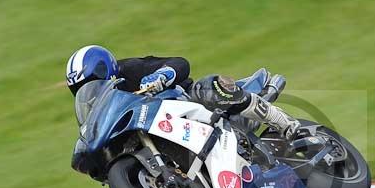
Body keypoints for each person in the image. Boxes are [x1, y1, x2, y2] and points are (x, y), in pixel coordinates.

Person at [65, 45, 299, 139]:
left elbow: (180, 63)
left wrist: (161, 76)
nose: (90, 89)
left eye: (94, 79)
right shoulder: (102, 109)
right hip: (169, 132)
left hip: (191, 103)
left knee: (210, 87)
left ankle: (280, 120)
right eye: (81, 88)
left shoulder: (130, 69)